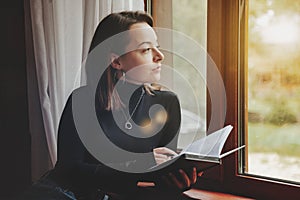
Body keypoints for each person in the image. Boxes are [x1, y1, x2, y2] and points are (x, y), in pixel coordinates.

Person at [20, 11, 201, 200]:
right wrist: (140, 163)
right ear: (116, 61)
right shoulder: (82, 102)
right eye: (146, 49)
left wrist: (180, 179)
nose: (160, 56)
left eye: (157, 47)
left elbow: (161, 172)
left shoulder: (168, 102)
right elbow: (69, 171)